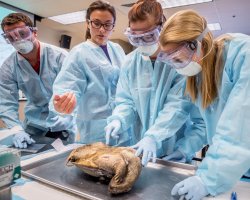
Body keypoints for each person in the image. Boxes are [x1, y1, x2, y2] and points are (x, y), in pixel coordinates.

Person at [159, 9, 250, 199]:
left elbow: (240, 127)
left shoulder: (242, 54)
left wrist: (209, 179)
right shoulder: (199, 74)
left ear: (195, 44)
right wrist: (183, 150)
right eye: (171, 61)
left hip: (235, 166)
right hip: (230, 170)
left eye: (178, 58)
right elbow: (203, 124)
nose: (177, 66)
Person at [105, 0, 203, 166]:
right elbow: (126, 101)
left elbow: (177, 106)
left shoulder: (178, 61)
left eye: (149, 36)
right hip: (139, 147)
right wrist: (119, 119)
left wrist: (155, 137)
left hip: (173, 147)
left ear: (162, 28)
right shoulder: (130, 63)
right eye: (136, 38)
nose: (142, 43)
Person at [50, 0, 129, 145]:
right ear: (88, 23)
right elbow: (68, 85)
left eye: (107, 24)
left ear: (113, 26)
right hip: (95, 128)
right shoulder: (79, 53)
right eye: (96, 23)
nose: (102, 30)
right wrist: (64, 102)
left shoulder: (117, 49)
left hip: (121, 121)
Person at [0, 12, 75, 148]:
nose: (18, 40)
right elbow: (6, 103)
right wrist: (16, 130)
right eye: (11, 37)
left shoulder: (60, 57)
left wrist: (65, 115)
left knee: (60, 162)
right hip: (34, 125)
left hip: (62, 123)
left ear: (34, 32)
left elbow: (75, 91)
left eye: (22, 33)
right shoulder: (8, 67)